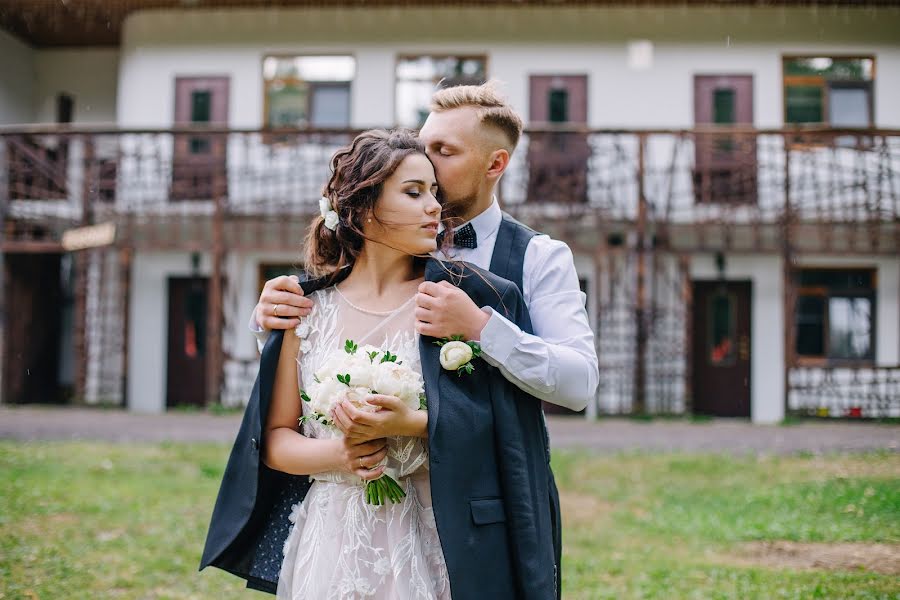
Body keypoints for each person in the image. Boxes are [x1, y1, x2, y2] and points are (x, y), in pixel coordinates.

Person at [251, 82, 599, 597]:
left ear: (494, 164)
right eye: (422, 145)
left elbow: (577, 384)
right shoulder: (379, 249)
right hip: (351, 521)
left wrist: (480, 328)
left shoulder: (538, 258)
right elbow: (323, 351)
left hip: (491, 509)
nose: (426, 164)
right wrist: (269, 326)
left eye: (444, 152)